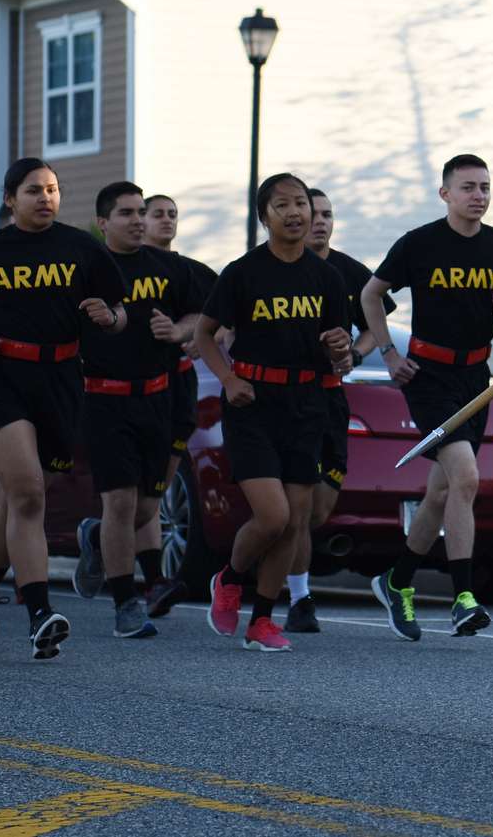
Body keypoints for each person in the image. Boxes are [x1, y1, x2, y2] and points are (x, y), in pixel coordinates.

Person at [0, 158, 127, 659]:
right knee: (28, 493)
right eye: (32, 190)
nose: (44, 198)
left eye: (52, 189)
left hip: (61, 379)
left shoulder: (82, 246)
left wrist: (109, 318)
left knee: (16, 501)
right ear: (10, 199)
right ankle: (40, 613)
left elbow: (119, 308)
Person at [363, 155, 493, 641]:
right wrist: (386, 353)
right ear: (446, 194)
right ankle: (464, 598)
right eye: (468, 187)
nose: (479, 196)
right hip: (428, 376)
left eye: (485, 187)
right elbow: (370, 294)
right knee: (465, 477)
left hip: (474, 377)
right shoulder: (420, 244)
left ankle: (397, 580)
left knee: (442, 491)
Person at [194, 174, 350, 653]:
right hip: (252, 406)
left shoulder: (326, 276)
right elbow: (204, 335)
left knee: (295, 519)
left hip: (305, 406)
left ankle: (262, 620)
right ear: (265, 217)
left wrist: (339, 347)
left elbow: (338, 353)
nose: (295, 213)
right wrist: (230, 379)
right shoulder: (243, 272)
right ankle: (231, 577)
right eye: (282, 205)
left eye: (301, 203)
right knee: (273, 516)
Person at [71, 182, 202, 638]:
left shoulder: (169, 267)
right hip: (104, 399)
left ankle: (95, 535)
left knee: (147, 509)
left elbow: (203, 315)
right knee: (122, 502)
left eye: (141, 212)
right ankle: (127, 605)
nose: (138, 220)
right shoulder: (85, 270)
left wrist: (179, 330)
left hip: (159, 397)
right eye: (126, 213)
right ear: (103, 222)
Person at [282, 187, 393, 633]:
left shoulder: (349, 272)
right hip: (286, 398)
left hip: (331, 396)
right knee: (296, 505)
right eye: (315, 213)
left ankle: (267, 568)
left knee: (319, 509)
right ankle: (299, 597)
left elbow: (372, 323)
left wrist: (358, 354)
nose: (322, 221)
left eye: (328, 214)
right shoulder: (275, 269)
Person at [140, 192, 217, 614]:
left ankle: (100, 538)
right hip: (129, 391)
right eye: (157, 214)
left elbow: (218, 320)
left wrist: (192, 335)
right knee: (139, 489)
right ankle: (151, 579)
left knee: (157, 486)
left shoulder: (193, 273)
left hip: (180, 388)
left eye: (172, 214)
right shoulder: (121, 270)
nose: (166, 220)